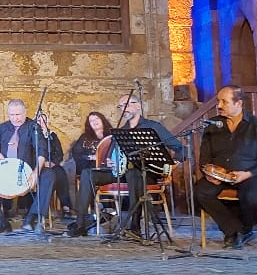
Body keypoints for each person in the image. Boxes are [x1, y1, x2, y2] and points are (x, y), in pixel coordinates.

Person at [67, 94, 185, 237]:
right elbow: (116, 156)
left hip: (146, 174)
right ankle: (80, 224)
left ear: (138, 106)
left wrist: (172, 165)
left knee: (134, 172)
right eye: (121, 106)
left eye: (127, 104)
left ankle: (134, 228)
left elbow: (181, 148)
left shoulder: (153, 127)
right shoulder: (122, 130)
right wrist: (111, 162)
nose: (124, 109)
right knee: (88, 173)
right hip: (122, 172)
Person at [195, 84, 257, 249]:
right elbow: (204, 156)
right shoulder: (214, 124)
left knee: (251, 195)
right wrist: (210, 172)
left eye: (224, 102)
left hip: (253, 175)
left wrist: (248, 174)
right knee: (200, 191)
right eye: (218, 101)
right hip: (222, 176)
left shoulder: (256, 126)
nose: (219, 106)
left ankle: (245, 228)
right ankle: (233, 229)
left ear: (238, 103)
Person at [0, 99, 60, 233]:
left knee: (49, 175)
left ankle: (32, 217)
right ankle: (0, 220)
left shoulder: (33, 127)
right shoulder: (2, 128)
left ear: (24, 113)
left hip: (26, 169)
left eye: (18, 115)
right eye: (12, 115)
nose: (15, 118)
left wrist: (36, 172)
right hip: (4, 169)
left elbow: (41, 151)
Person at [30, 113, 72, 226]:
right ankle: (41, 208)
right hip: (37, 166)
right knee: (50, 176)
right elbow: (30, 153)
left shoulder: (52, 136)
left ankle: (66, 206)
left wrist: (53, 163)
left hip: (52, 165)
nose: (41, 123)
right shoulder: (32, 135)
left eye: (43, 121)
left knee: (60, 172)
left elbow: (59, 153)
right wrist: (42, 163)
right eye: (38, 121)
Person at [69, 112, 113, 177]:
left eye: (97, 118)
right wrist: (91, 157)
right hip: (90, 167)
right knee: (87, 172)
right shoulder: (84, 137)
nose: (94, 121)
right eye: (91, 120)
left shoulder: (112, 135)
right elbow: (76, 153)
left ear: (102, 120)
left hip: (109, 167)